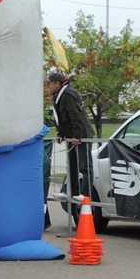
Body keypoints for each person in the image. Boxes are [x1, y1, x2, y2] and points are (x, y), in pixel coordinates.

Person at [47, 71, 94, 215]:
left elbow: (76, 116)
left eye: (50, 84)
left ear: (57, 83)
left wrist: (77, 136)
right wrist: (61, 134)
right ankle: (73, 192)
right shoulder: (58, 96)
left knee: (84, 166)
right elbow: (62, 118)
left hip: (80, 135)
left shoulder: (68, 94)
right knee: (72, 166)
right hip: (70, 136)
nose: (48, 87)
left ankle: (86, 194)